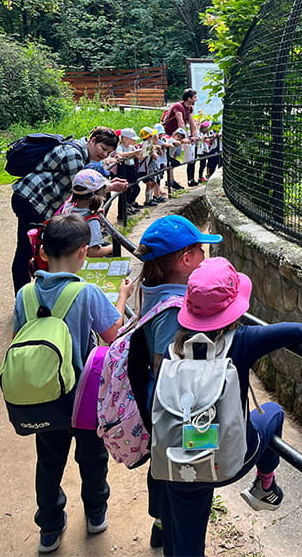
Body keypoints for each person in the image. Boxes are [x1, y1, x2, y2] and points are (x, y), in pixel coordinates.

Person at [155, 256, 302, 557]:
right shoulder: (243, 341)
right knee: (273, 414)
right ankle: (264, 486)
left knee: (186, 538)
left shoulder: (173, 349)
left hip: (179, 455)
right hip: (226, 460)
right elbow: (296, 331)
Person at [11, 212, 133, 554]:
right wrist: (122, 297)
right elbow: (113, 334)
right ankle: (96, 513)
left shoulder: (25, 294)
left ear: (43, 252)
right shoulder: (87, 292)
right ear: (83, 252)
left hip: (44, 398)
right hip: (84, 398)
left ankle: (49, 528)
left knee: (49, 461)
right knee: (92, 458)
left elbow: (22, 336)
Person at [134, 215, 223, 549]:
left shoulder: (151, 288)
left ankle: (160, 522)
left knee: (160, 464)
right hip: (174, 412)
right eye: (200, 250)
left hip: (157, 407)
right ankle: (174, 533)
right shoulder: (174, 310)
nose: (204, 256)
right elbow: (165, 369)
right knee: (181, 474)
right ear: (186, 259)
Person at [11, 127, 128, 292]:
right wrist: (110, 186)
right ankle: (23, 297)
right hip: (31, 200)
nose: (104, 154)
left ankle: (37, 290)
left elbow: (87, 184)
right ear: (92, 140)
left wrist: (106, 185)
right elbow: (83, 186)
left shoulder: (79, 152)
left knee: (37, 248)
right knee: (27, 250)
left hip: (38, 202)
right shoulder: (73, 154)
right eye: (103, 148)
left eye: (108, 152)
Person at [57, 169, 113, 257]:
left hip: (66, 256)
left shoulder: (68, 205)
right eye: (104, 188)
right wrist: (114, 247)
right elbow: (93, 253)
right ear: (97, 194)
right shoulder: (91, 221)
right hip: (80, 261)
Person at [161, 89, 198, 188]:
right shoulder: (178, 106)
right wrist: (184, 138)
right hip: (169, 134)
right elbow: (180, 122)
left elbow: (192, 123)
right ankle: (170, 181)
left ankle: (170, 180)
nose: (196, 99)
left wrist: (194, 136)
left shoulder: (189, 108)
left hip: (177, 135)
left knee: (174, 157)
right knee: (170, 158)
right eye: (194, 97)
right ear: (189, 98)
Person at [114, 128, 141, 217]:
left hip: (131, 169)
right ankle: (122, 213)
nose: (134, 141)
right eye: (132, 139)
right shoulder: (120, 146)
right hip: (124, 169)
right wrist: (134, 152)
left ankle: (128, 205)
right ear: (125, 138)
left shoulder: (132, 147)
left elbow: (140, 157)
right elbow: (120, 154)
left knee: (135, 188)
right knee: (124, 192)